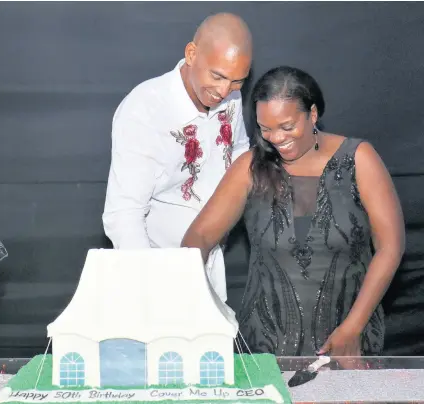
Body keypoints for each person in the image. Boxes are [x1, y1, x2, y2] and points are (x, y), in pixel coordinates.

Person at [181, 66, 405, 356]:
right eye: (265, 128)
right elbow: (198, 236)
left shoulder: (359, 159)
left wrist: (353, 327)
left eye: (287, 127)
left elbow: (391, 247)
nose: (276, 138)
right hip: (263, 346)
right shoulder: (251, 167)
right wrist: (200, 300)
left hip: (348, 341)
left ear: (312, 114)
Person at [102, 13, 252, 302]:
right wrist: (149, 289)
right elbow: (123, 215)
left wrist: (226, 217)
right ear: (192, 54)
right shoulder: (145, 110)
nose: (224, 91)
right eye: (217, 76)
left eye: (237, 81)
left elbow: (239, 152)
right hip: (155, 272)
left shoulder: (230, 95)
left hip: (209, 267)